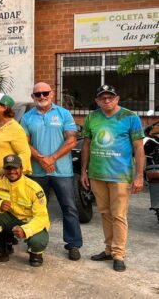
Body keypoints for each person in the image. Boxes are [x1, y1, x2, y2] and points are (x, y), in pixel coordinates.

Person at [80, 84, 145, 272]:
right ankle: (108, 249)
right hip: (97, 174)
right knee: (105, 213)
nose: (107, 101)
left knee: (118, 215)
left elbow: (139, 148)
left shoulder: (130, 117)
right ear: (97, 101)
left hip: (120, 176)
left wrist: (139, 176)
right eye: (103, 98)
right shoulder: (92, 117)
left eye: (110, 97)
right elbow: (86, 145)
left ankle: (118, 253)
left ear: (117, 99)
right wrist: (83, 171)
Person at [21, 82, 82, 261]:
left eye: (45, 93)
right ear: (33, 97)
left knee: (69, 208)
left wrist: (52, 158)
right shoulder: (27, 117)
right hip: (37, 171)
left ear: (52, 94)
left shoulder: (64, 114)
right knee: (36, 209)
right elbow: (24, 142)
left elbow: (71, 140)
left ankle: (74, 244)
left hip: (61, 171)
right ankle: (36, 244)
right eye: (37, 94)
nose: (41, 97)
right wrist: (41, 158)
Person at [0, 154, 50, 267]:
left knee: (38, 242)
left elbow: (42, 217)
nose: (12, 171)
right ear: (4, 170)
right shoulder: (0, 181)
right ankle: (1, 250)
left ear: (21, 169)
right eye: (8, 168)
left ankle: (35, 254)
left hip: (29, 222)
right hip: (11, 220)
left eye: (15, 168)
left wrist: (25, 230)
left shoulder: (33, 188)